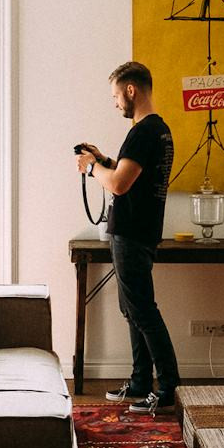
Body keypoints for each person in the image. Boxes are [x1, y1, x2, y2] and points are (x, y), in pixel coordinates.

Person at [76, 61, 179, 413]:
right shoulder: (159, 131)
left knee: (142, 310)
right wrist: (103, 158)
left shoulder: (142, 132)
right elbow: (129, 172)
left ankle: (168, 389)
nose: (115, 103)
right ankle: (140, 381)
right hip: (142, 230)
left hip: (132, 232)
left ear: (131, 90)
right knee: (132, 308)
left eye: (116, 96)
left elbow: (119, 184)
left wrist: (92, 167)